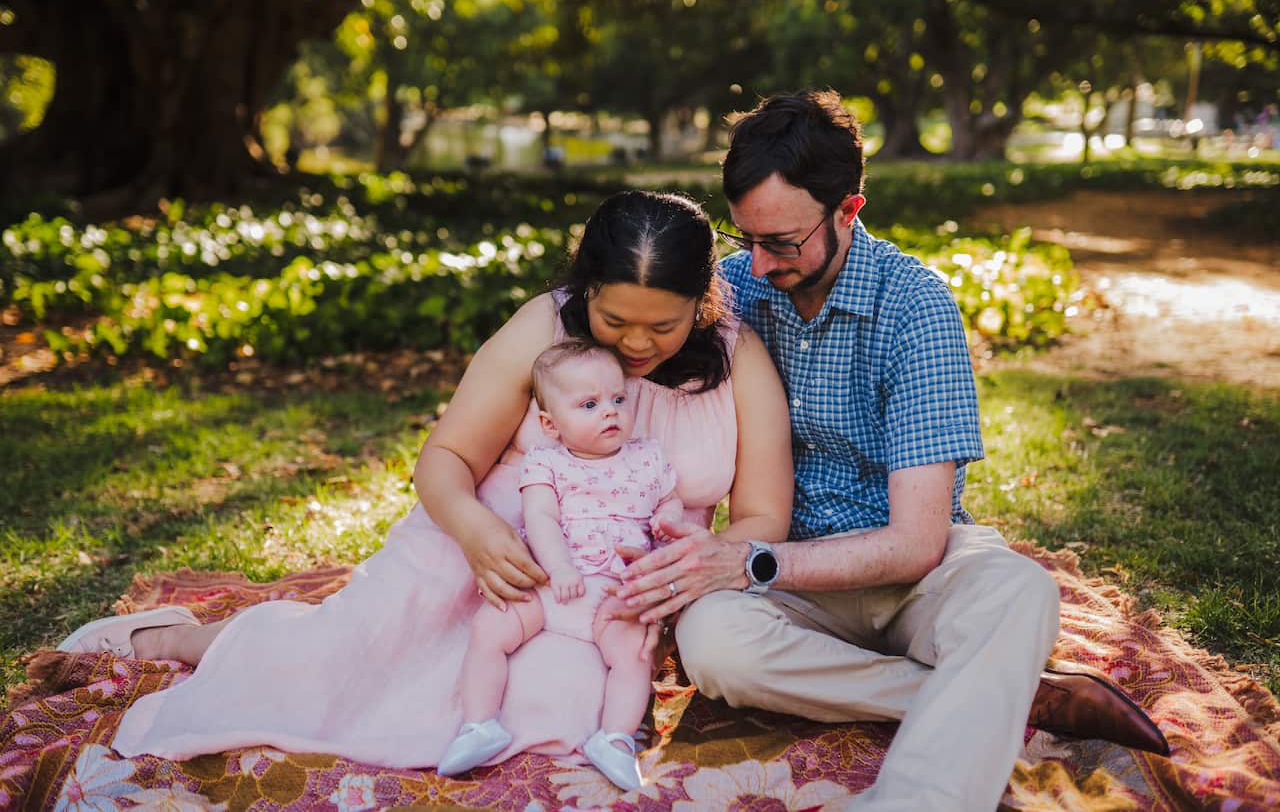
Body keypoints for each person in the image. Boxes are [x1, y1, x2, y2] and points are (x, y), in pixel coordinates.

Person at [56, 190, 794, 779]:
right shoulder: (545, 328)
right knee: (333, 670)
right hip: (481, 559)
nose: (635, 344)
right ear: (585, 291)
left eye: (661, 327)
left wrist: (693, 561)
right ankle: (189, 639)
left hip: (596, 600)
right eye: (613, 320)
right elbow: (444, 460)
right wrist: (478, 535)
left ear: (702, 300)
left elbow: (764, 514)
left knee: (555, 722)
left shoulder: (738, 360)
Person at [613, 90, 1170, 811]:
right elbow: (613, 322)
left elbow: (917, 541)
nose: (754, 263)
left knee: (1020, 590)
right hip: (794, 588)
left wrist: (747, 559)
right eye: (745, 236)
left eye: (781, 242)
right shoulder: (740, 288)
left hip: (916, 575)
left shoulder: (917, 307)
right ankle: (1004, 693)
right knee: (713, 640)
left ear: (850, 209)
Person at [439, 339, 684, 790]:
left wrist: (668, 519)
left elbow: (669, 504)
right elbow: (542, 518)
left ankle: (614, 739)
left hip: (614, 591)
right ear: (551, 425)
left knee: (634, 654)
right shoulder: (547, 462)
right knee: (490, 630)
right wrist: (560, 568)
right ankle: (479, 724)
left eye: (617, 399)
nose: (610, 412)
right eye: (589, 404)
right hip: (549, 585)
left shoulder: (647, 456)